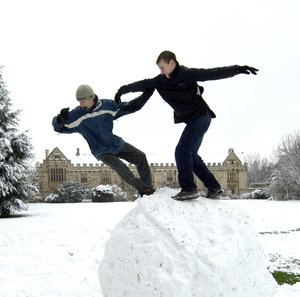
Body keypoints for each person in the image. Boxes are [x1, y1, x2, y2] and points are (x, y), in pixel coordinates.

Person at [115, 51, 258, 201]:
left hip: (202, 116)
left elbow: (212, 73)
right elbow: (142, 84)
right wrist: (122, 90)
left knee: (182, 150)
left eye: (163, 67)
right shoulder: (160, 81)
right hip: (192, 120)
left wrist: (238, 69)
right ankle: (214, 187)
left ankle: (189, 188)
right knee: (191, 155)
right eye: (159, 69)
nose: (161, 71)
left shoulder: (187, 74)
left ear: (172, 62)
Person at [52, 84, 154, 197]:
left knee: (141, 156)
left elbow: (131, 107)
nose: (80, 104)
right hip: (100, 150)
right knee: (120, 166)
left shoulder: (108, 106)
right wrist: (60, 119)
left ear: (91, 97)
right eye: (79, 102)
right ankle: (143, 190)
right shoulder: (76, 115)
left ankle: (149, 189)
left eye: (83, 101)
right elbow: (58, 128)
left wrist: (145, 96)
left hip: (115, 144)